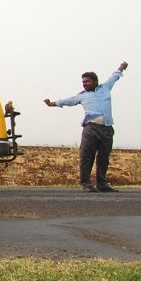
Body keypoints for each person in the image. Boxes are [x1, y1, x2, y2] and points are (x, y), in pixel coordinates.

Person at [44, 62, 128, 192]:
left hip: (107, 128)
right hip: (91, 129)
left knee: (103, 158)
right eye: (83, 82)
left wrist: (122, 67)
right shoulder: (82, 96)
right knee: (87, 157)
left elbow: (115, 76)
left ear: (95, 81)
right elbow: (67, 101)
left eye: (87, 81)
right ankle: (86, 183)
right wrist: (51, 104)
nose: (84, 84)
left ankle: (102, 184)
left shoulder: (105, 88)